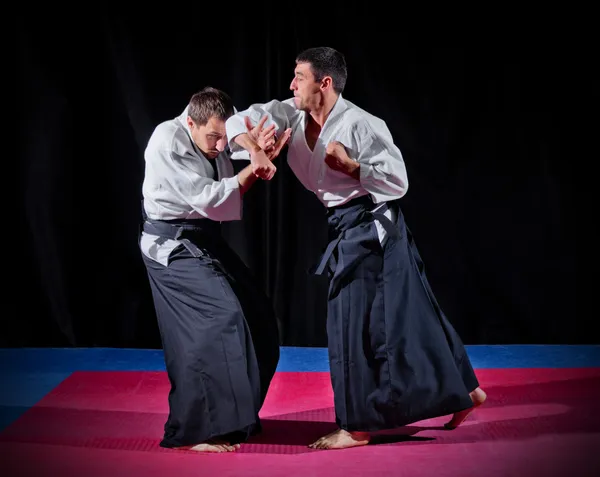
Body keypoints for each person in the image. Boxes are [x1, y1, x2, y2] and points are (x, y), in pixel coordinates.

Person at [225, 47, 487, 450]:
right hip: (345, 223)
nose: (292, 84)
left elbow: (398, 182)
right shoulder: (289, 113)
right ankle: (467, 392)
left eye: (299, 76)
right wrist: (256, 148)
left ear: (324, 83)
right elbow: (236, 122)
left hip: (373, 225)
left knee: (350, 322)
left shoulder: (362, 124)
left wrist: (351, 168)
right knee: (412, 316)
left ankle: (358, 425)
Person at [139, 86, 291, 453]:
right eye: (213, 137)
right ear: (190, 121)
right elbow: (208, 198)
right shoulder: (166, 139)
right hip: (170, 246)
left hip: (204, 239)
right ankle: (194, 431)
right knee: (218, 319)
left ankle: (235, 419)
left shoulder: (216, 135)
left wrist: (259, 151)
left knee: (258, 318)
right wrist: (254, 169)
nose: (221, 146)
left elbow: (241, 151)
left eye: (225, 137)